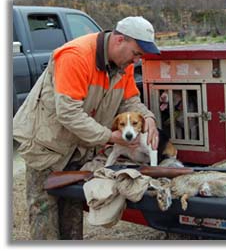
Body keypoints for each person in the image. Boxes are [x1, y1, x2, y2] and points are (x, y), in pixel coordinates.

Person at [13, 16, 160, 240]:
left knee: (73, 208)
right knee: (44, 211)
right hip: (46, 144)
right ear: (120, 40)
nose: (136, 60)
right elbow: (68, 113)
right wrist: (109, 136)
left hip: (79, 146)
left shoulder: (123, 66)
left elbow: (130, 100)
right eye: (136, 53)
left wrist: (148, 118)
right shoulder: (76, 56)